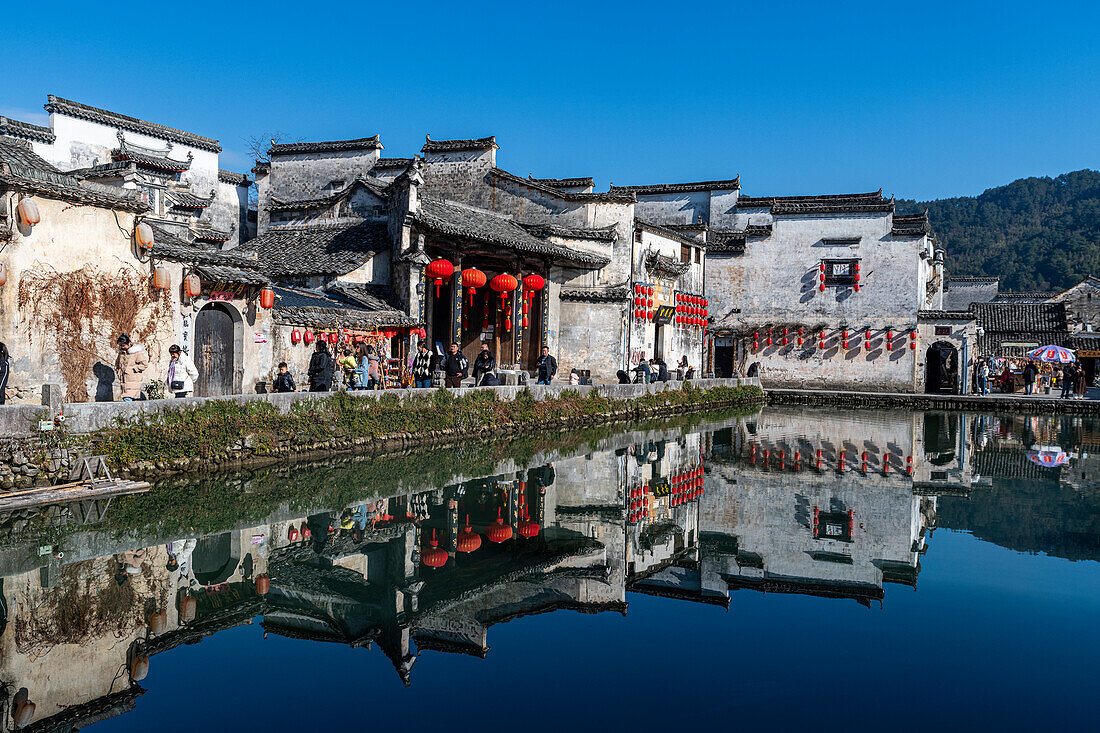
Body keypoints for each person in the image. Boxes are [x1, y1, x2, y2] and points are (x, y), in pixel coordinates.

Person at [114, 334, 148, 401]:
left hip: (134, 380)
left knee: (128, 398)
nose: (121, 347)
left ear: (129, 343)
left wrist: (133, 369)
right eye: (120, 345)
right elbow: (117, 364)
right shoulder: (121, 353)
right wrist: (119, 371)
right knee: (128, 398)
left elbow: (144, 364)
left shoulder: (136, 353)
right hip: (124, 380)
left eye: (123, 345)